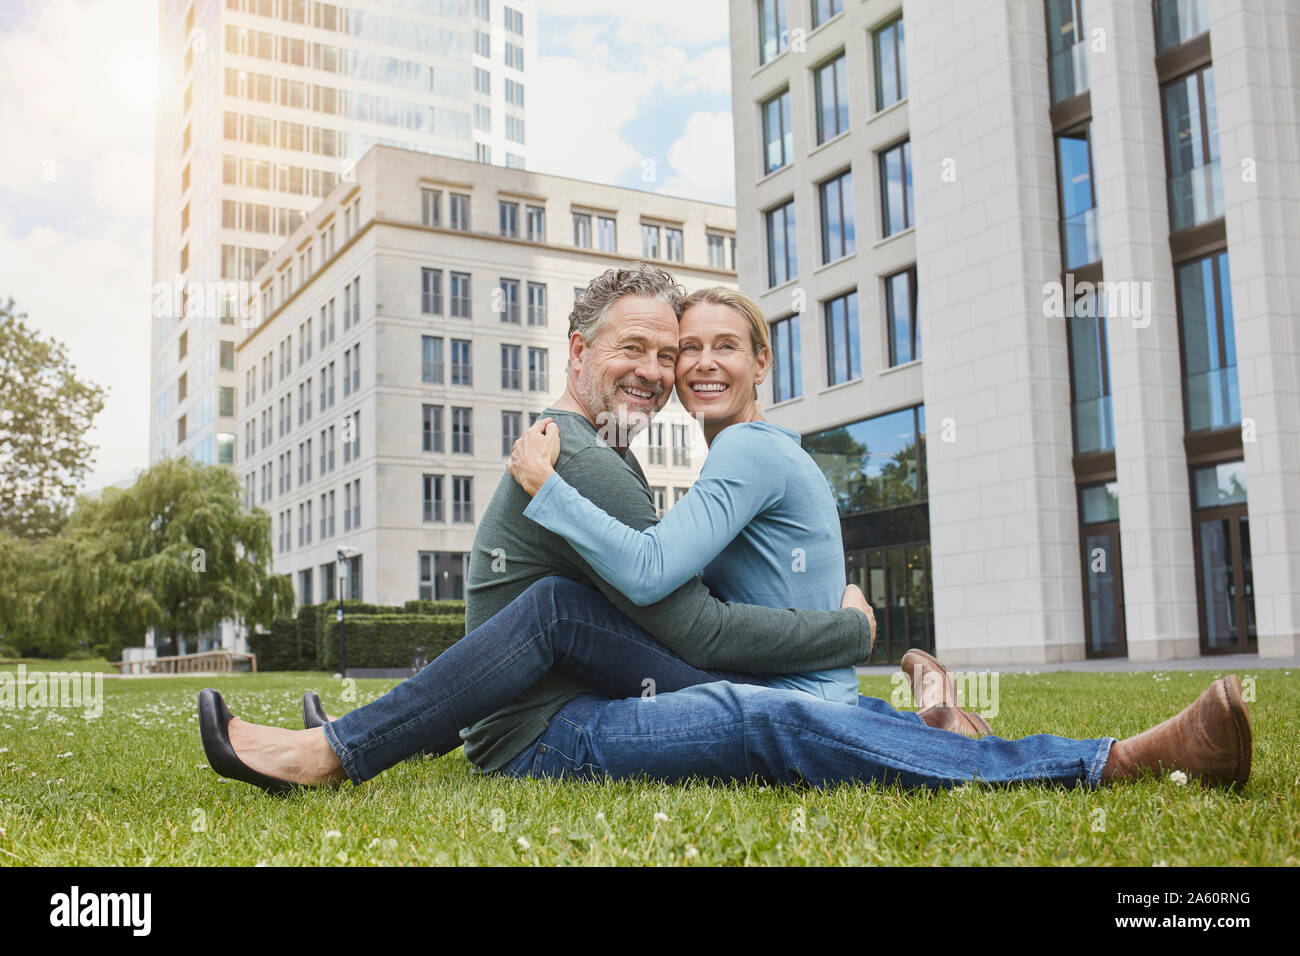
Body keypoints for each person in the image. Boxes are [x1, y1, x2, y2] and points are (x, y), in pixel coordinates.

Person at [199, 264, 1252, 794]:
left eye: (687, 350)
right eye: (647, 349)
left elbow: (638, 616)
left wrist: (846, 634)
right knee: (761, 713)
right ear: (577, 349)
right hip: (550, 736)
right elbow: (689, 630)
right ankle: (1103, 758)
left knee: (649, 649)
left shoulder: (598, 458)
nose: (666, 370)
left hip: (551, 712)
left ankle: (346, 739)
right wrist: (849, 632)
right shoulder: (587, 464)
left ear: (755, 363)